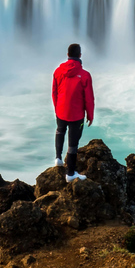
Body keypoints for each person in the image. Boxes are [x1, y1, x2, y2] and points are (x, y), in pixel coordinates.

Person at [52, 43, 95, 183]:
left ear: (67, 55)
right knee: (73, 143)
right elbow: (89, 98)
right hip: (76, 114)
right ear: (80, 56)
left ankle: (58, 158)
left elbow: (54, 92)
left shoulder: (58, 71)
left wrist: (57, 108)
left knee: (60, 131)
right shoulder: (85, 75)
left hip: (61, 110)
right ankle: (70, 173)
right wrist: (90, 114)